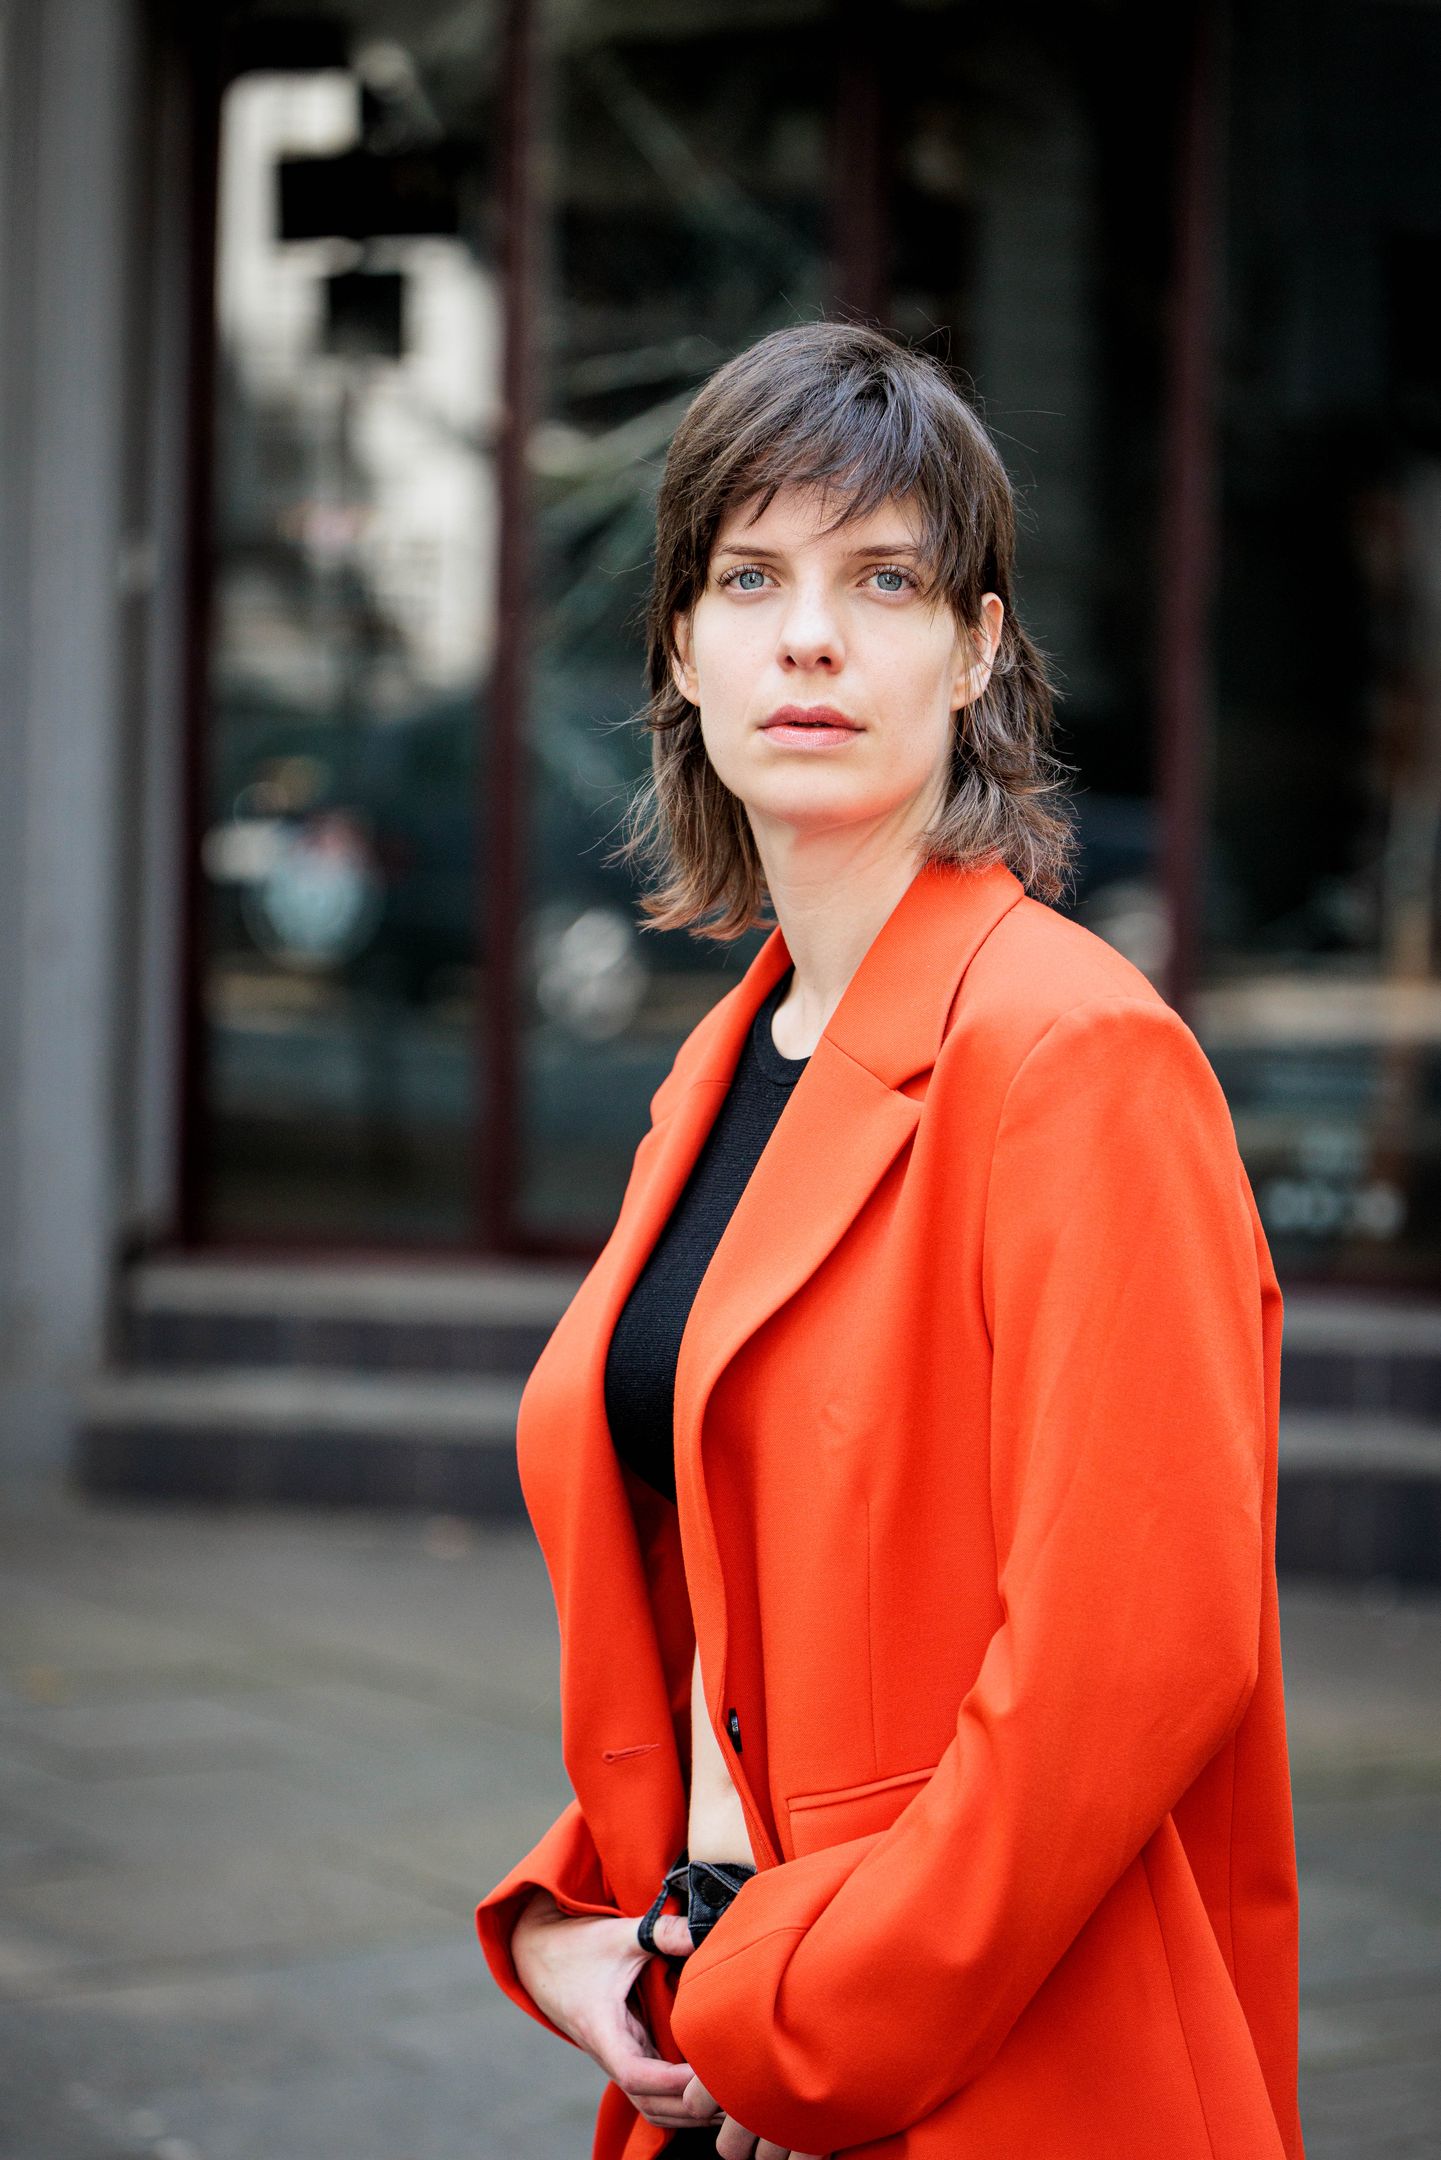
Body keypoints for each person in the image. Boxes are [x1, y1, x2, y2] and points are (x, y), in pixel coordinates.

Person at [475, 320, 1305, 2160]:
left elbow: (1125, 1667)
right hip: (727, 2021)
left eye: (884, 581)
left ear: (977, 648)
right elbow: (740, 1598)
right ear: (679, 650)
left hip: (977, 2066)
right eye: (749, 578)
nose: (810, 637)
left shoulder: (1072, 1052)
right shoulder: (724, 1064)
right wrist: (576, 1921)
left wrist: (817, 2016)